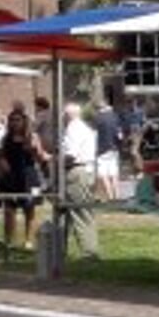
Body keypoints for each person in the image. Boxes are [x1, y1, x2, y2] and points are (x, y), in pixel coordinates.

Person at [0, 108, 43, 250]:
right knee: (9, 210)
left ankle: (28, 240)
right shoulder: (6, 138)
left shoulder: (32, 137)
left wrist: (35, 150)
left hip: (30, 177)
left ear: (24, 122)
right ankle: (9, 240)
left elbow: (40, 158)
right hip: (11, 177)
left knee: (30, 209)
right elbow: (0, 154)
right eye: (12, 120)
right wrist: (2, 162)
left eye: (17, 120)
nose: (14, 123)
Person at [59, 103, 101, 260]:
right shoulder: (84, 127)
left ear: (67, 115)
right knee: (64, 214)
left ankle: (90, 252)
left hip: (76, 171)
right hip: (85, 171)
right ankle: (58, 250)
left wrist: (55, 161)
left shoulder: (73, 127)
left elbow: (71, 154)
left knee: (80, 212)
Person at [93, 94, 122, 202]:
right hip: (114, 149)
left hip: (102, 149)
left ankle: (110, 197)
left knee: (103, 175)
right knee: (114, 174)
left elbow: (94, 135)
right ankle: (117, 196)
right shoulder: (115, 116)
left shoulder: (98, 118)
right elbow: (119, 134)